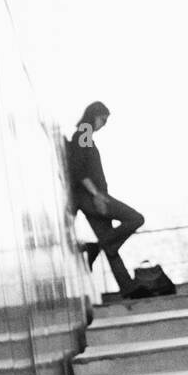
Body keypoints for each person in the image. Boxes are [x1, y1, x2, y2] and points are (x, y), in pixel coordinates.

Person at [66, 101, 150, 298]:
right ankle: (97, 246)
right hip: (94, 197)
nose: (104, 124)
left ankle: (128, 288)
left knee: (111, 247)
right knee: (136, 218)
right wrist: (97, 195)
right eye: (103, 119)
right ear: (94, 116)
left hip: (89, 197)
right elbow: (80, 170)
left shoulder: (83, 134)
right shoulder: (85, 131)